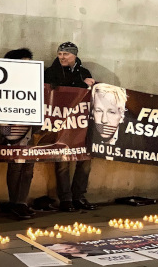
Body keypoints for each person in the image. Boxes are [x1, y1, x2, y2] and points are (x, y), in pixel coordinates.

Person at [44, 42, 97, 212]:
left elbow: (88, 94)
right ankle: (66, 199)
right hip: (60, 124)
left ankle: (79, 196)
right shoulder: (50, 72)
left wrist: (91, 85)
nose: (62, 57)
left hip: (81, 124)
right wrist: (83, 84)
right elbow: (60, 89)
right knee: (62, 162)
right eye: (60, 54)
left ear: (74, 55)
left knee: (85, 160)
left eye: (66, 54)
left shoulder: (83, 72)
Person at [0, 48, 36, 219]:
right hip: (13, 128)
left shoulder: (34, 81)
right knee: (16, 165)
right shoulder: (4, 82)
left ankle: (22, 201)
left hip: (31, 126)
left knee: (29, 166)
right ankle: (14, 201)